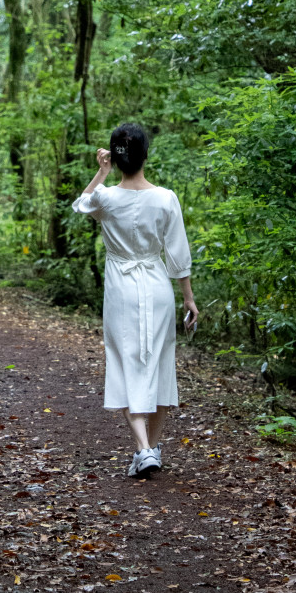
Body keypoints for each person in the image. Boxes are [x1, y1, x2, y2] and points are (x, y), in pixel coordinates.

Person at [72, 122, 198, 479]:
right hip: (157, 286)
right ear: (146, 155)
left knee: (127, 363)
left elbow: (81, 204)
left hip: (122, 289)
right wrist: (188, 298)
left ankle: (145, 450)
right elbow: (178, 254)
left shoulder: (107, 197)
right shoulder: (166, 197)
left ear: (115, 155)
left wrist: (101, 172)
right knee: (157, 363)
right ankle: (150, 450)